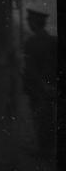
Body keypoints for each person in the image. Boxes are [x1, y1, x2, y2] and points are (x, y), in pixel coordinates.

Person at [22, 10, 57, 157]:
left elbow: (30, 69)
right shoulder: (53, 40)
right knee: (48, 116)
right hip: (51, 86)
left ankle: (43, 149)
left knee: (40, 118)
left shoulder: (31, 43)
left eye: (29, 20)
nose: (28, 22)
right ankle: (49, 147)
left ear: (34, 23)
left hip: (37, 87)